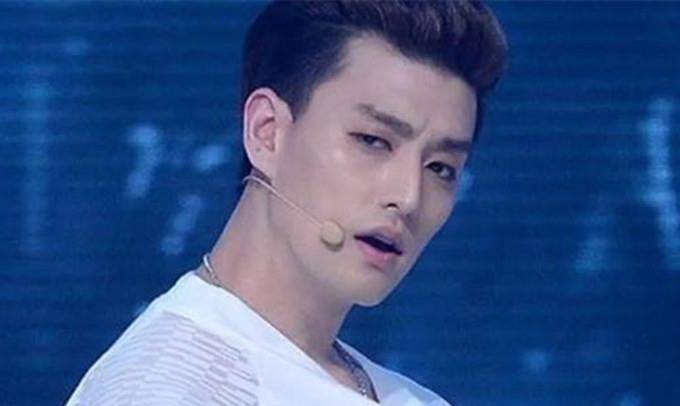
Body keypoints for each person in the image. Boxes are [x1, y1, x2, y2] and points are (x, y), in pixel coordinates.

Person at [65, 0, 508, 404]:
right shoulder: (166, 388)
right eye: (373, 140)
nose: (408, 197)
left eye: (441, 168)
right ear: (267, 133)